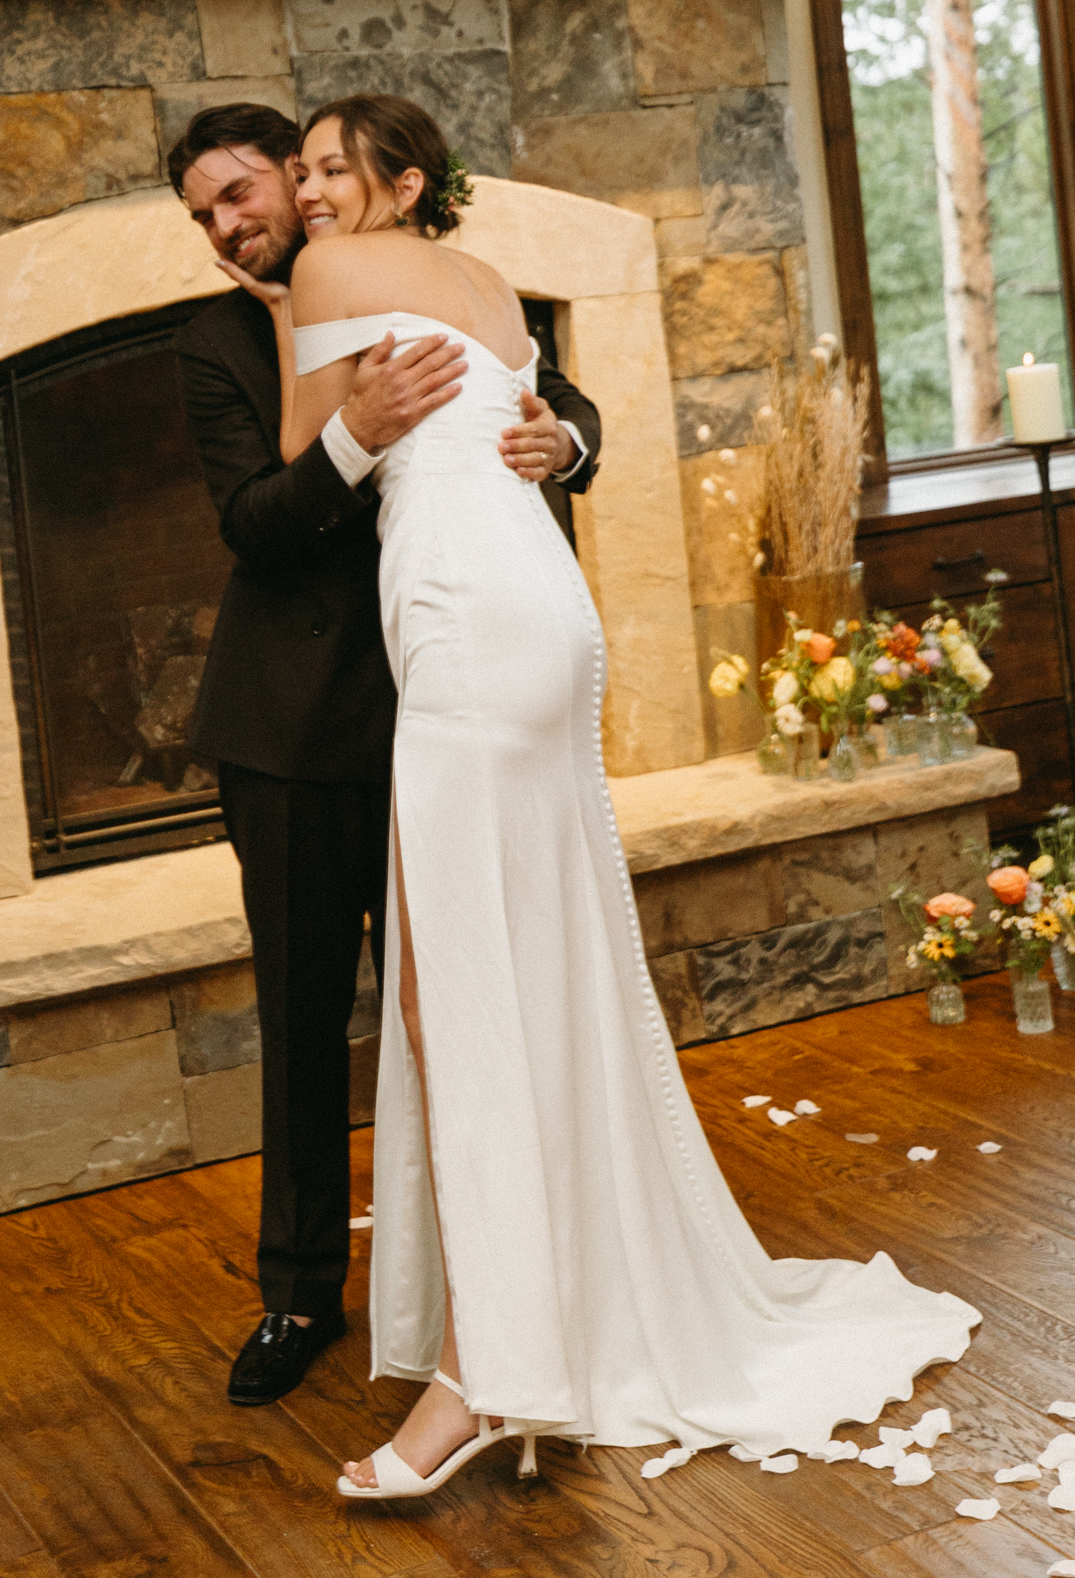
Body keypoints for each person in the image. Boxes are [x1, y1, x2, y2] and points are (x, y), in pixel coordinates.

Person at [223, 90, 979, 1502]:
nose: (308, 191)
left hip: (459, 618)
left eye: (330, 168)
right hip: (540, 609)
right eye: (302, 173)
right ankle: (529, 1332)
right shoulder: (492, 280)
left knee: (461, 1002)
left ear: (401, 180)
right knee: (532, 971)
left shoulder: (323, 275)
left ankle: (485, 1373)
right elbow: (529, 415)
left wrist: (279, 306)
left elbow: (298, 457)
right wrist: (557, 443)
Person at [169, 102, 601, 1410]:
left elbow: (552, 388)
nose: (228, 223)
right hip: (295, 734)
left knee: (458, 1011)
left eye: (242, 191)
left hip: (450, 692)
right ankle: (300, 1293)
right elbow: (251, 519)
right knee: (308, 1022)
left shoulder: (420, 274)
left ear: (312, 186)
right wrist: (354, 427)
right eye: (203, 213)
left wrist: (564, 444)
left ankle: (488, 1287)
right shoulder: (212, 342)